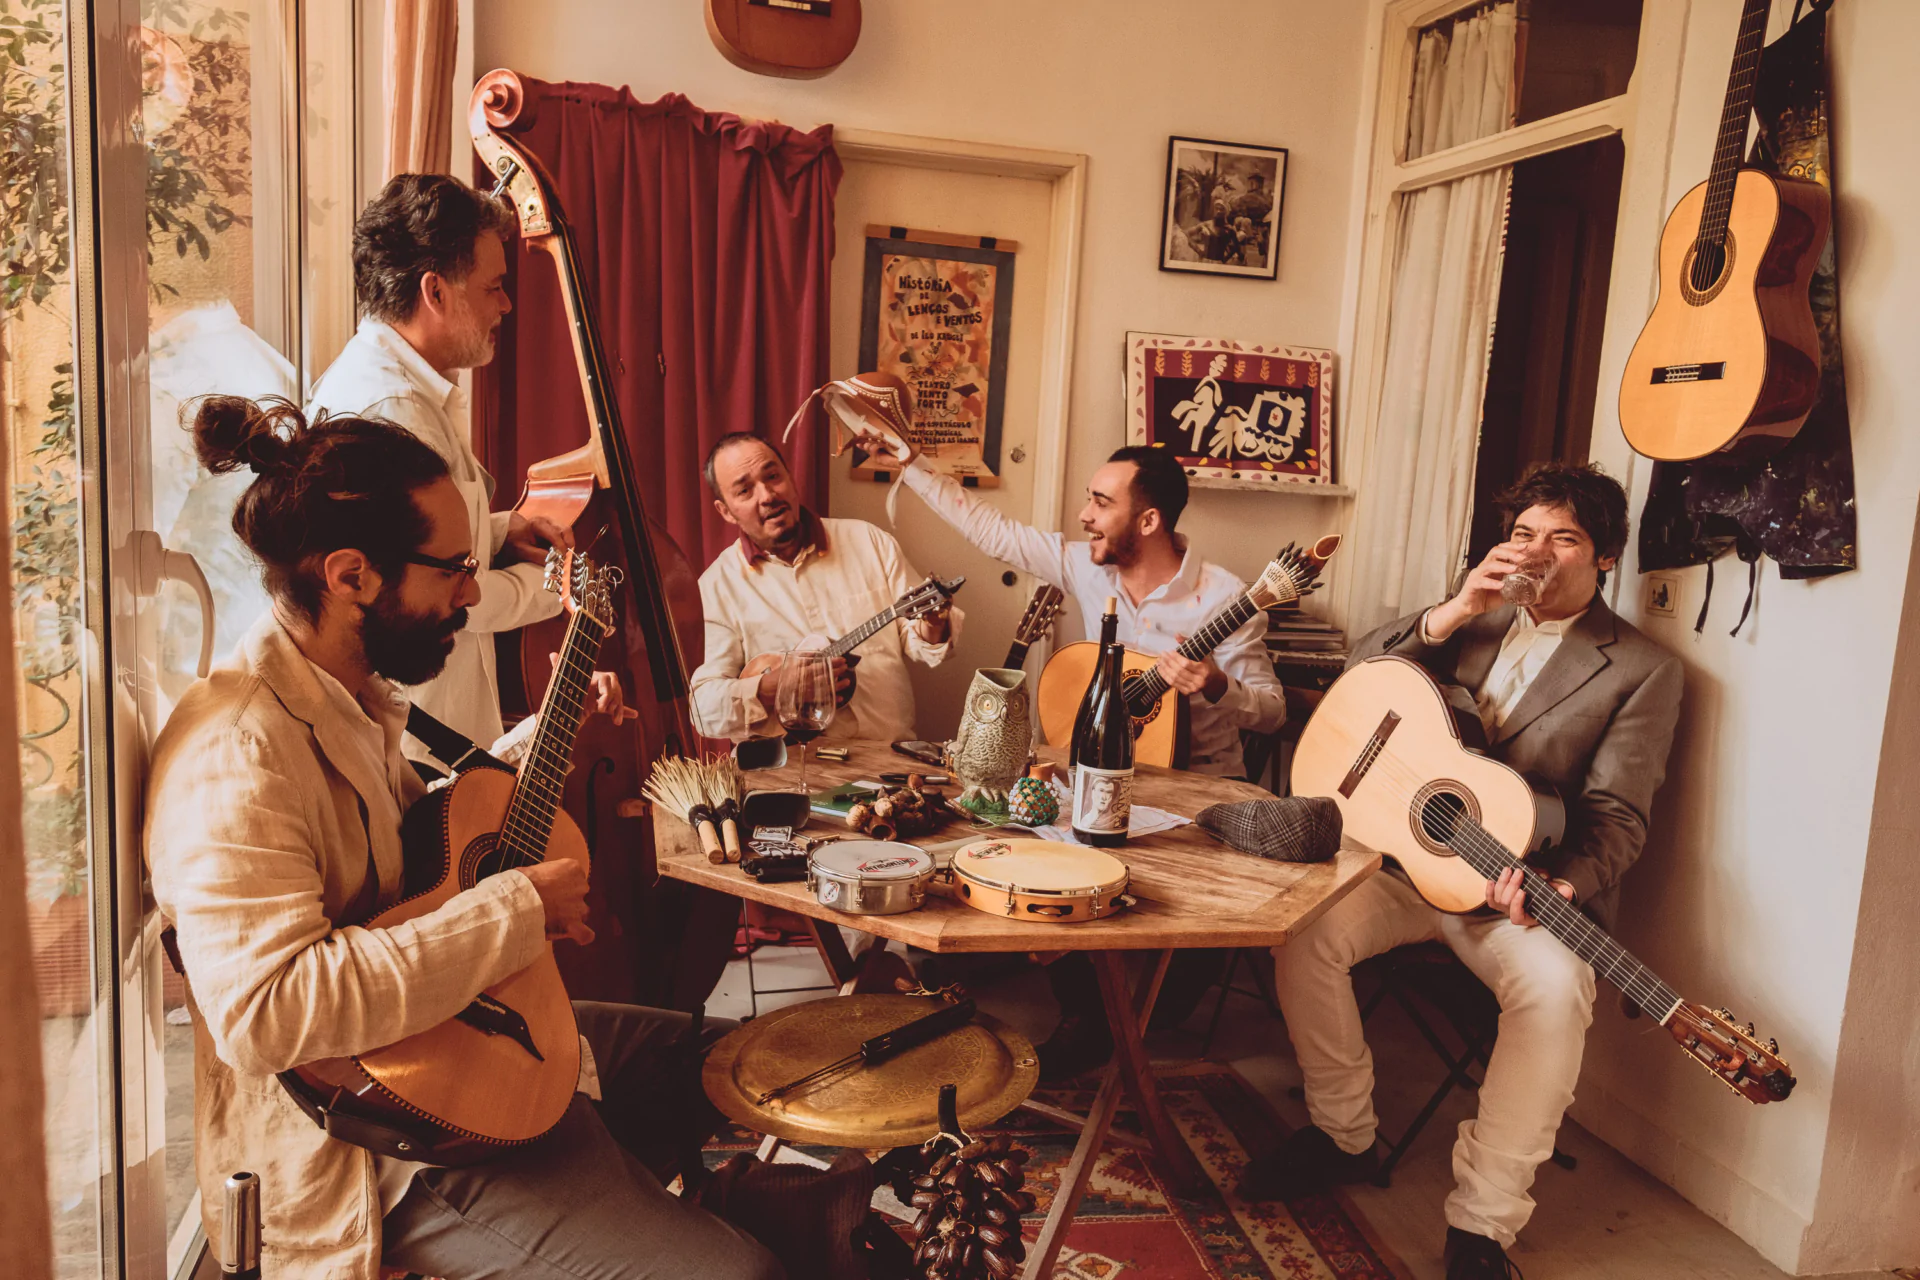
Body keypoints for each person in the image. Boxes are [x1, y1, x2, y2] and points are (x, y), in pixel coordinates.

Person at [145, 397, 782, 1280]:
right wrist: (516, 908)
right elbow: (267, 1014)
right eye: (453, 568)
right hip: (373, 1147)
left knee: (721, 1059)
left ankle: (659, 1211)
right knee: (741, 1276)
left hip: (449, 1032)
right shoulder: (237, 755)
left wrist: (537, 742)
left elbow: (419, 850)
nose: (475, 593)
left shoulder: (347, 692)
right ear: (352, 575)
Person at [1243, 463, 1684, 1280]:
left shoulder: (1641, 670)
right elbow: (1358, 677)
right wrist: (1455, 609)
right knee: (1302, 930)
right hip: (1405, 870)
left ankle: (1482, 1225)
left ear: (1607, 558)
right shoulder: (1470, 620)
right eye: (1523, 533)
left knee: (1557, 992)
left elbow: (1621, 817)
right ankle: (1342, 1133)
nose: (1536, 552)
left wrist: (1564, 887)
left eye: (1564, 538)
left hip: (1513, 892)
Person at [864, 430, 1287, 1075]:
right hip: (1105, 779)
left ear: (1147, 520)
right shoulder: (1086, 567)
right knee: (1029, 849)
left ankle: (1140, 1009)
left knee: (1176, 979)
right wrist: (911, 464)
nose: (1084, 516)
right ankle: (1084, 1014)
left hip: (1201, 790)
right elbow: (990, 529)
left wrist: (1220, 688)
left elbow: (1274, 707)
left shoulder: (1226, 596)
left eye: (1099, 502)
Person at [308, 172, 567, 767]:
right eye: (493, 287)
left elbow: (407, 538)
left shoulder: (402, 388)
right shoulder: (393, 410)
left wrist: (500, 531)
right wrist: (560, 589)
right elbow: (443, 591)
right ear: (436, 291)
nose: (506, 304)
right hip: (415, 735)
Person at [690, 431, 959, 744]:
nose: (767, 495)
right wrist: (770, 689)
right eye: (745, 490)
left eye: (773, 476)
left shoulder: (869, 542)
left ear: (790, 477)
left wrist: (934, 624)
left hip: (887, 760)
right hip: (784, 771)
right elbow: (703, 709)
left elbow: (922, 644)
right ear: (725, 510)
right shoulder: (717, 585)